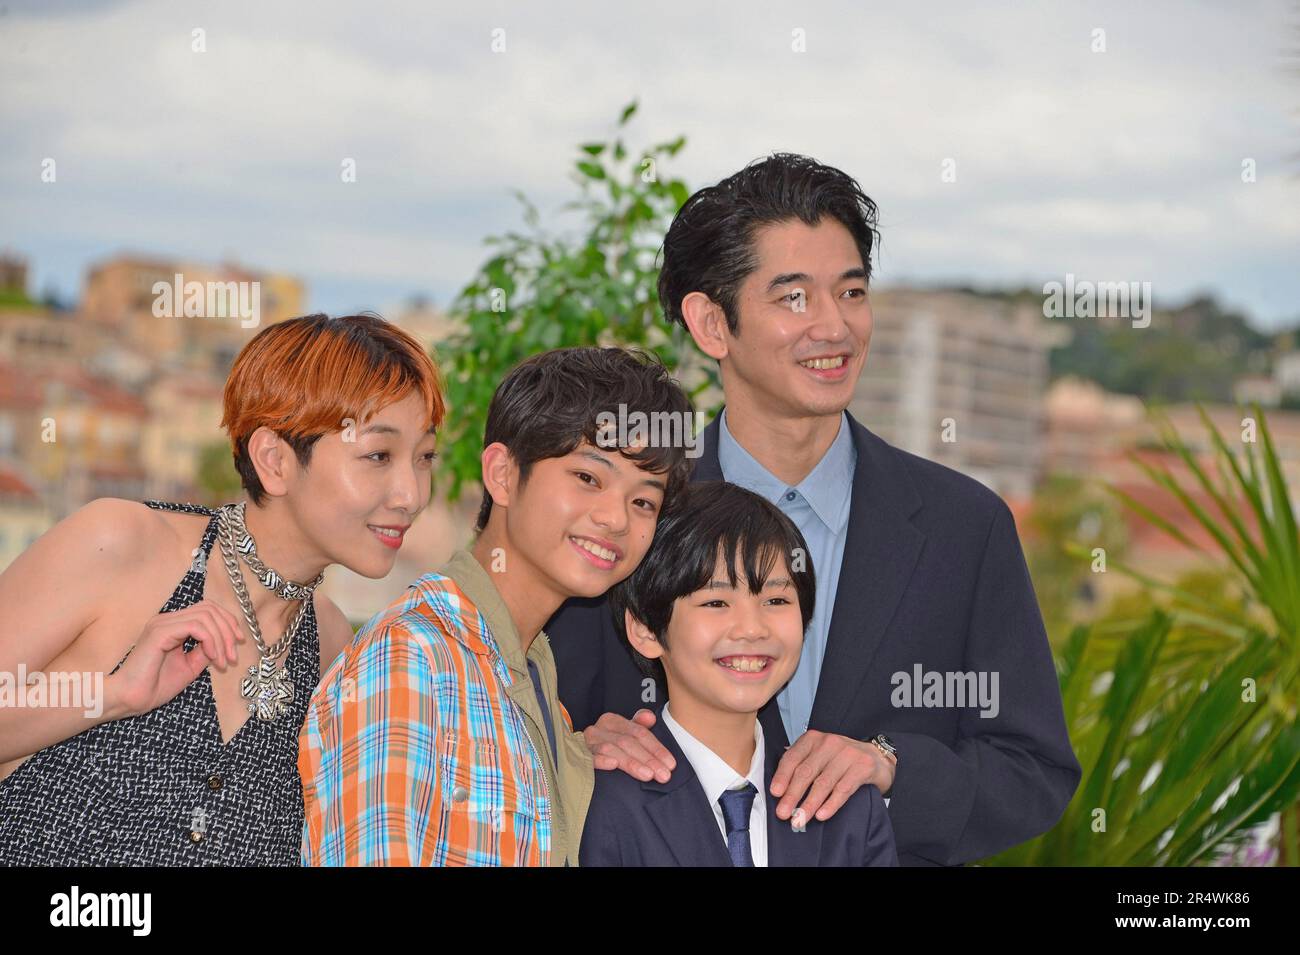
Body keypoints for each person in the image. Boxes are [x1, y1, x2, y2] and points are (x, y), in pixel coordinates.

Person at [548, 153, 1082, 866]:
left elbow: (1034, 772)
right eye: (794, 298)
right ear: (711, 324)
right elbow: (538, 719)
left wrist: (890, 769)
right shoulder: (632, 518)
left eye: (852, 292)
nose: (834, 326)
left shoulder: (965, 526)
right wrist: (574, 748)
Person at [0, 312, 444, 865]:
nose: (411, 494)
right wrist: (113, 694)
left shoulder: (331, 644)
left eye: (425, 457)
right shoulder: (120, 544)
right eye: (379, 456)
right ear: (274, 460)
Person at [299, 346, 695, 866]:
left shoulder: (533, 674)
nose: (617, 518)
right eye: (588, 478)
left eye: (643, 501)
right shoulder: (412, 658)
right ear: (503, 474)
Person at [579, 481, 897, 866]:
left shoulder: (848, 808)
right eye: (716, 602)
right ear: (646, 630)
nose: (752, 629)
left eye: (776, 600)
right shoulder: (600, 801)